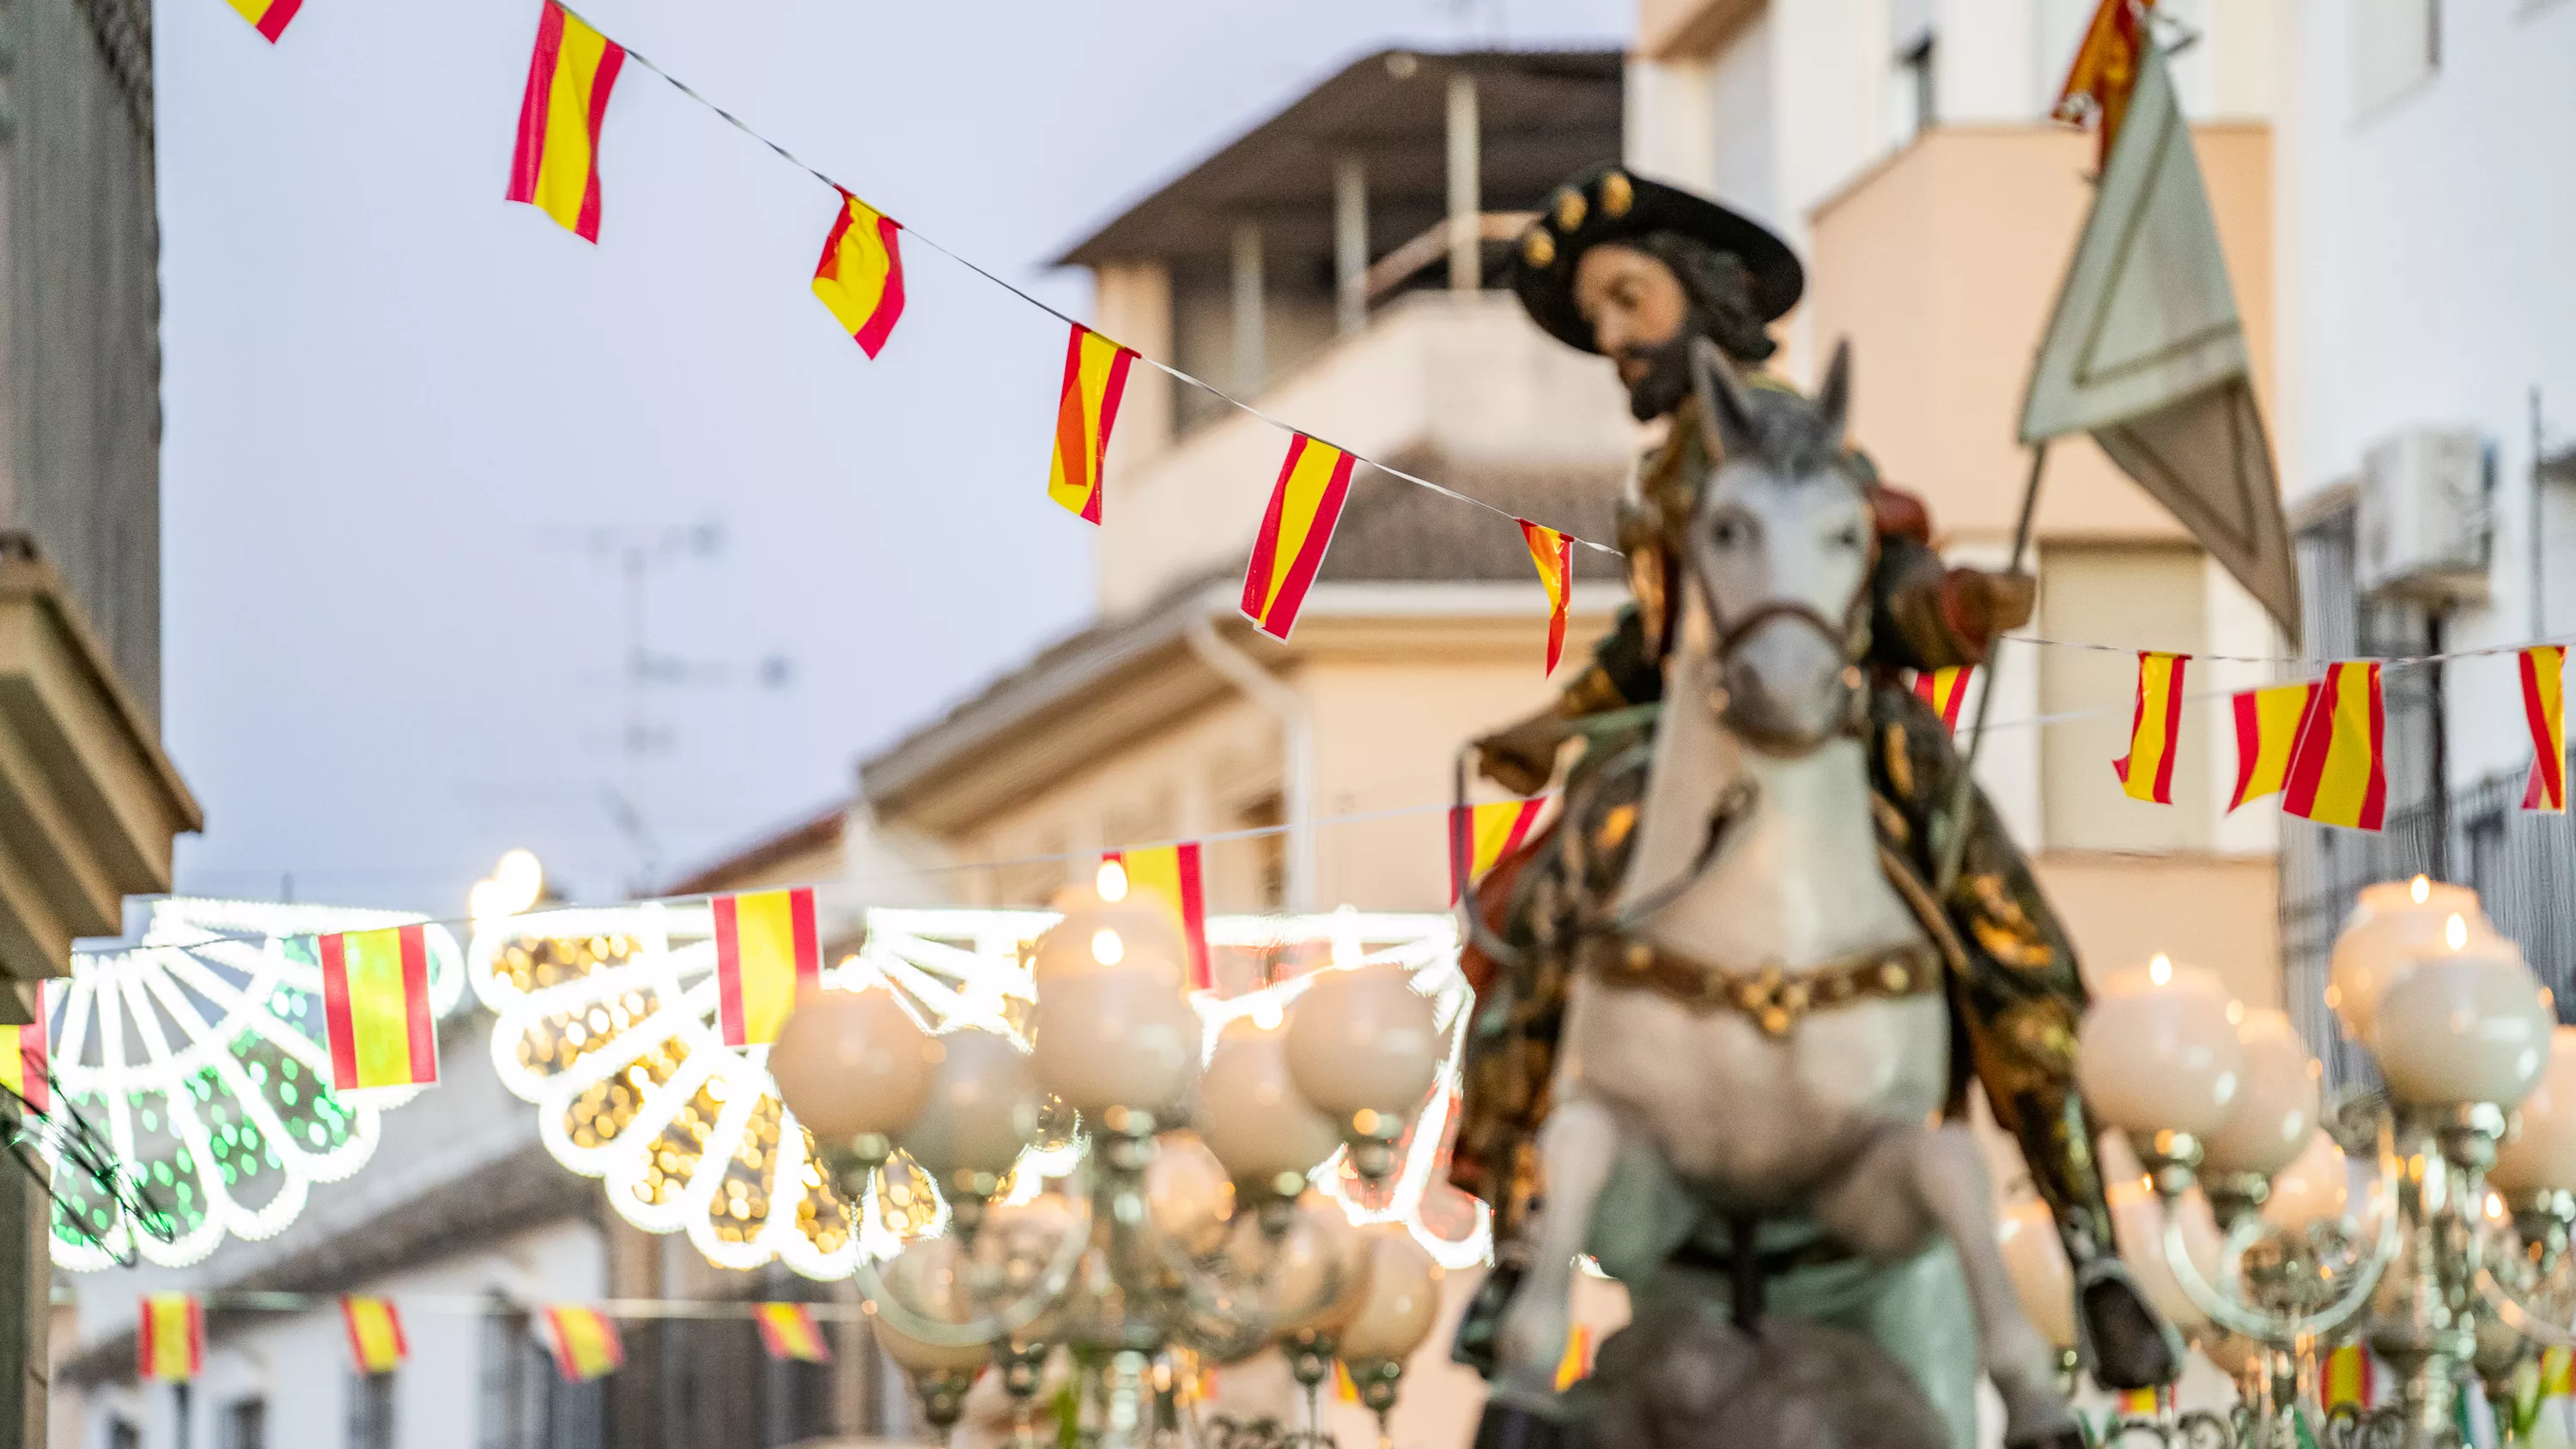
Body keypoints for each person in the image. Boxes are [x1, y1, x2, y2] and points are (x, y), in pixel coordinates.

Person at [1448, 164, 2177, 1397]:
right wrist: (1552, 722)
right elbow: (1652, 642)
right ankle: (1521, 1229)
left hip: (1845, 715)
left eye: (1630, 302)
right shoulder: (1670, 464)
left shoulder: (1782, 428)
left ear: (1704, 295)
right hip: (1685, 732)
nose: (1615, 339)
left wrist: (1949, 608)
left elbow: (1870, 581)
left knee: (2008, 936)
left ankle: (2093, 1250)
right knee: (1527, 913)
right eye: (1603, 317)